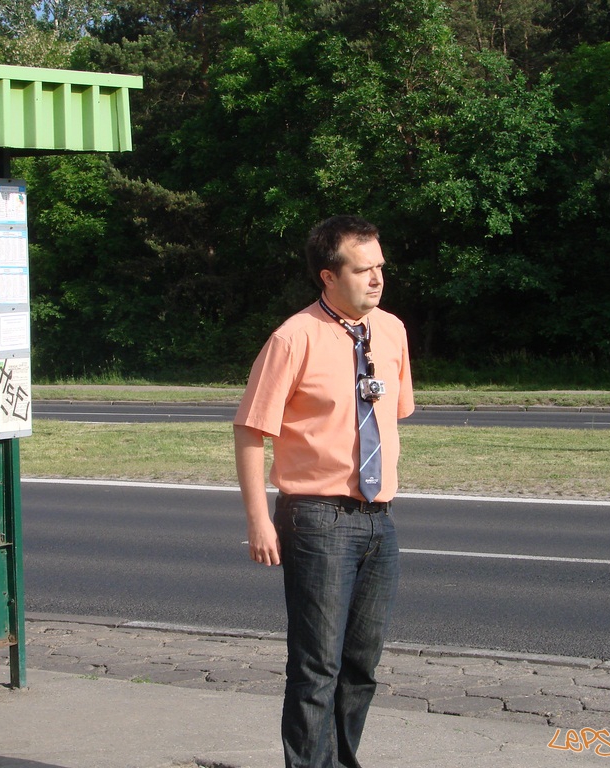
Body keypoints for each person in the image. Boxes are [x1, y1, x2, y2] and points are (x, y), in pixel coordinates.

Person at [233, 215, 414, 768]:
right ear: (327, 277)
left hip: (378, 519)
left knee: (361, 666)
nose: (377, 279)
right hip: (316, 519)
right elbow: (249, 429)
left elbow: (393, 412)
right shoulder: (294, 337)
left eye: (380, 267)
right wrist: (259, 520)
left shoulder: (392, 331)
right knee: (317, 668)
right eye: (363, 270)